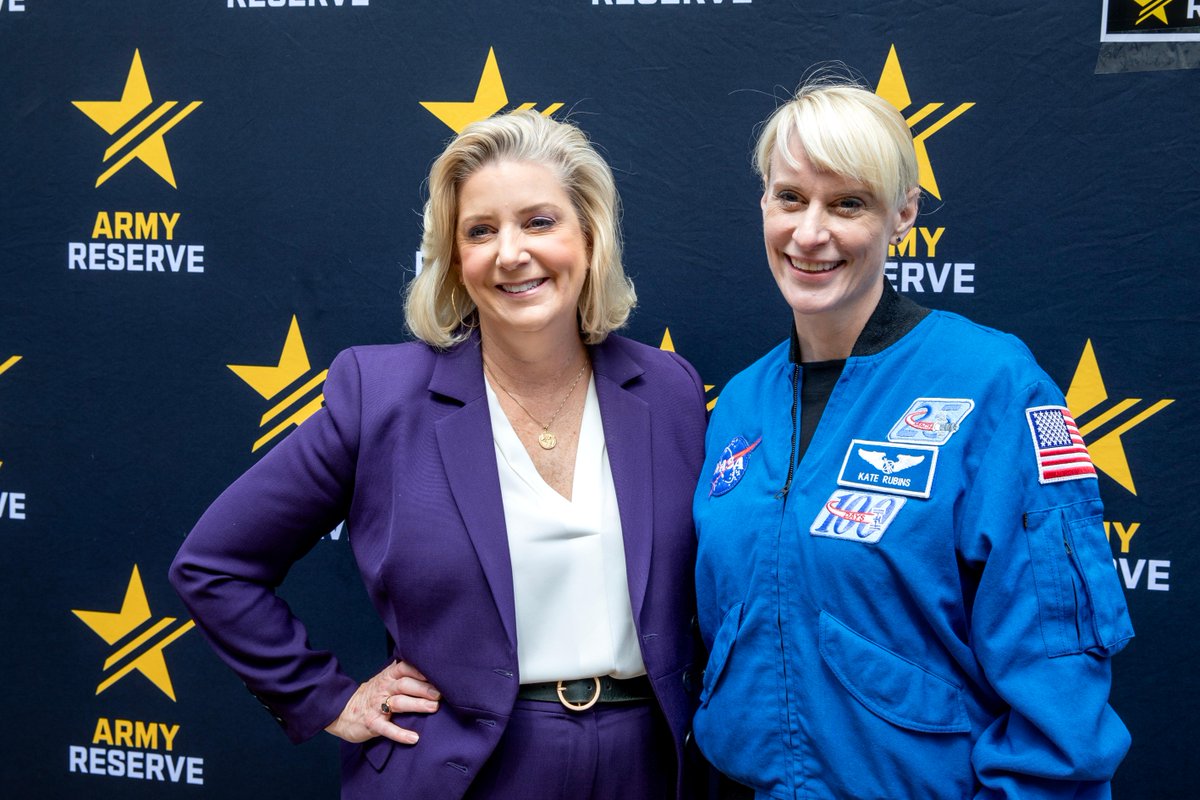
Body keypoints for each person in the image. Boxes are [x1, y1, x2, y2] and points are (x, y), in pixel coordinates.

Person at [170, 110, 707, 800]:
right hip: (461, 773)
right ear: (455, 259)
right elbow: (215, 564)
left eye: (539, 222)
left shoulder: (669, 389)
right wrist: (325, 698)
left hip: (647, 771)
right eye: (481, 231)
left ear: (590, 234)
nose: (511, 252)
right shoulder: (381, 393)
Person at [691, 77, 1134, 799]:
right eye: (790, 199)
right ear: (764, 206)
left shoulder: (992, 384)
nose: (810, 233)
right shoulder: (740, 402)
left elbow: (1057, 683)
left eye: (848, 204)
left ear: (904, 214)